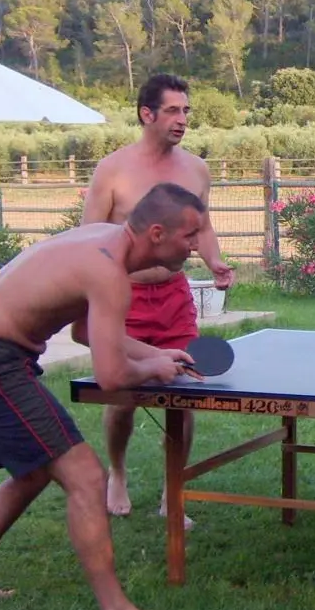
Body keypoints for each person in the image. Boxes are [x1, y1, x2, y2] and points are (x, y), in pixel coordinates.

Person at [0, 182, 209, 610]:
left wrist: (152, 354)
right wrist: (153, 367)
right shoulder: (107, 271)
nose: (197, 244)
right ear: (158, 233)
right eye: (191, 235)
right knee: (85, 477)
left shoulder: (105, 244)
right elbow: (111, 377)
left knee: (31, 473)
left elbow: (86, 332)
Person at [81, 74, 234, 526]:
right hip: (123, 299)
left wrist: (215, 262)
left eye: (186, 111)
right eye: (172, 111)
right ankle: (118, 473)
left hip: (173, 297)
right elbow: (89, 237)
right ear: (147, 114)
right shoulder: (113, 170)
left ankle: (174, 490)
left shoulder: (196, 170)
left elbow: (200, 228)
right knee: (122, 396)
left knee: (183, 394)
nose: (182, 120)